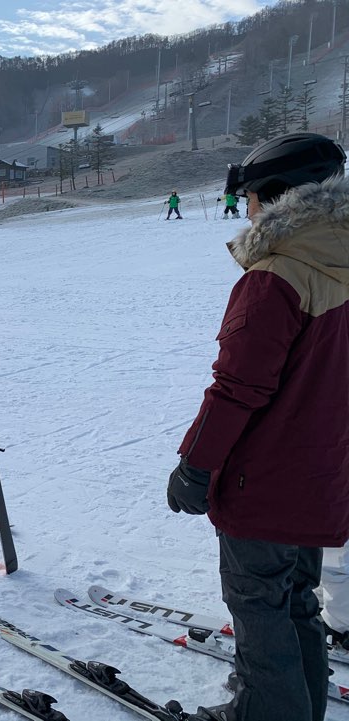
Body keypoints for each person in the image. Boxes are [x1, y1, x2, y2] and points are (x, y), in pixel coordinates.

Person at [167, 132, 349, 721]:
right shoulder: (340, 261)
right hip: (323, 476)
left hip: (265, 481)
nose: (245, 210)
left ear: (276, 197)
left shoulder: (276, 276)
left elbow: (237, 389)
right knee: (296, 601)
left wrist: (195, 466)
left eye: (248, 198)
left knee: (261, 607)